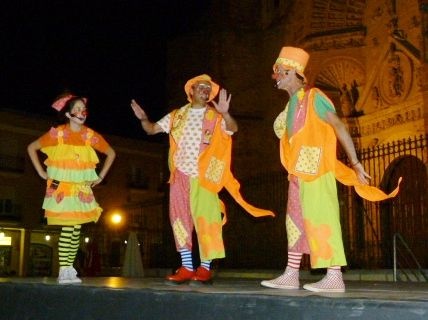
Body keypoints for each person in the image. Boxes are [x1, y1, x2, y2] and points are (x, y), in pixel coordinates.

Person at [261, 47, 401, 293]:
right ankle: (291, 274)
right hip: (297, 174)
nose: (276, 77)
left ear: (292, 71)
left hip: (317, 171)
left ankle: (334, 276)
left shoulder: (314, 97)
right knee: (294, 223)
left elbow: (338, 125)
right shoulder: (289, 107)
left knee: (322, 220)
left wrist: (355, 162)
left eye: (279, 72)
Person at [131, 74, 274, 285]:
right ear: (191, 91)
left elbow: (233, 129)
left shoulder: (215, 116)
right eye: (201, 87)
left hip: (205, 176)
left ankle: (205, 268)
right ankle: (187, 267)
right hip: (180, 176)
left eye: (209, 88)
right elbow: (151, 129)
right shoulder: (176, 115)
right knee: (179, 220)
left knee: (207, 220)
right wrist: (144, 118)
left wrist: (225, 114)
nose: (206, 91)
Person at [28, 93, 116, 284]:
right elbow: (31, 147)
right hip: (62, 188)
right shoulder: (58, 133)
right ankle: (64, 269)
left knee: (76, 230)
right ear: (68, 114)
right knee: (69, 228)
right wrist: (42, 173)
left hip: (81, 189)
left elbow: (111, 153)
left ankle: (69, 269)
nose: (80, 112)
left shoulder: (89, 135)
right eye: (75, 109)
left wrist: (100, 176)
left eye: (82, 108)